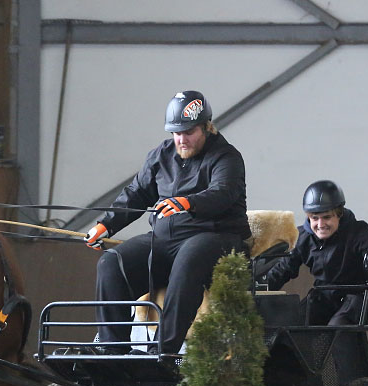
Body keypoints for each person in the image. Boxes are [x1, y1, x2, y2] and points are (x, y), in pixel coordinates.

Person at [84, 90, 249, 354]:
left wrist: (187, 202)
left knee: (189, 258)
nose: (181, 139)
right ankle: (112, 351)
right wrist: (106, 225)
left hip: (216, 239)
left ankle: (162, 352)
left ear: (207, 126)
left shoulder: (226, 156)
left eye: (189, 132)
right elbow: (137, 193)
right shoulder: (161, 155)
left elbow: (223, 193)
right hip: (165, 242)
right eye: (176, 132)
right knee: (111, 262)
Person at [261, 180, 368, 325]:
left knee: (338, 327)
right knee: (295, 325)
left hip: (363, 295)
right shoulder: (302, 238)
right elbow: (283, 269)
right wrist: (257, 292)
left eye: (327, 217)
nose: (320, 225)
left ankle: (338, 349)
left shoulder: (359, 233)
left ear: (338, 214)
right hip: (327, 294)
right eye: (315, 218)